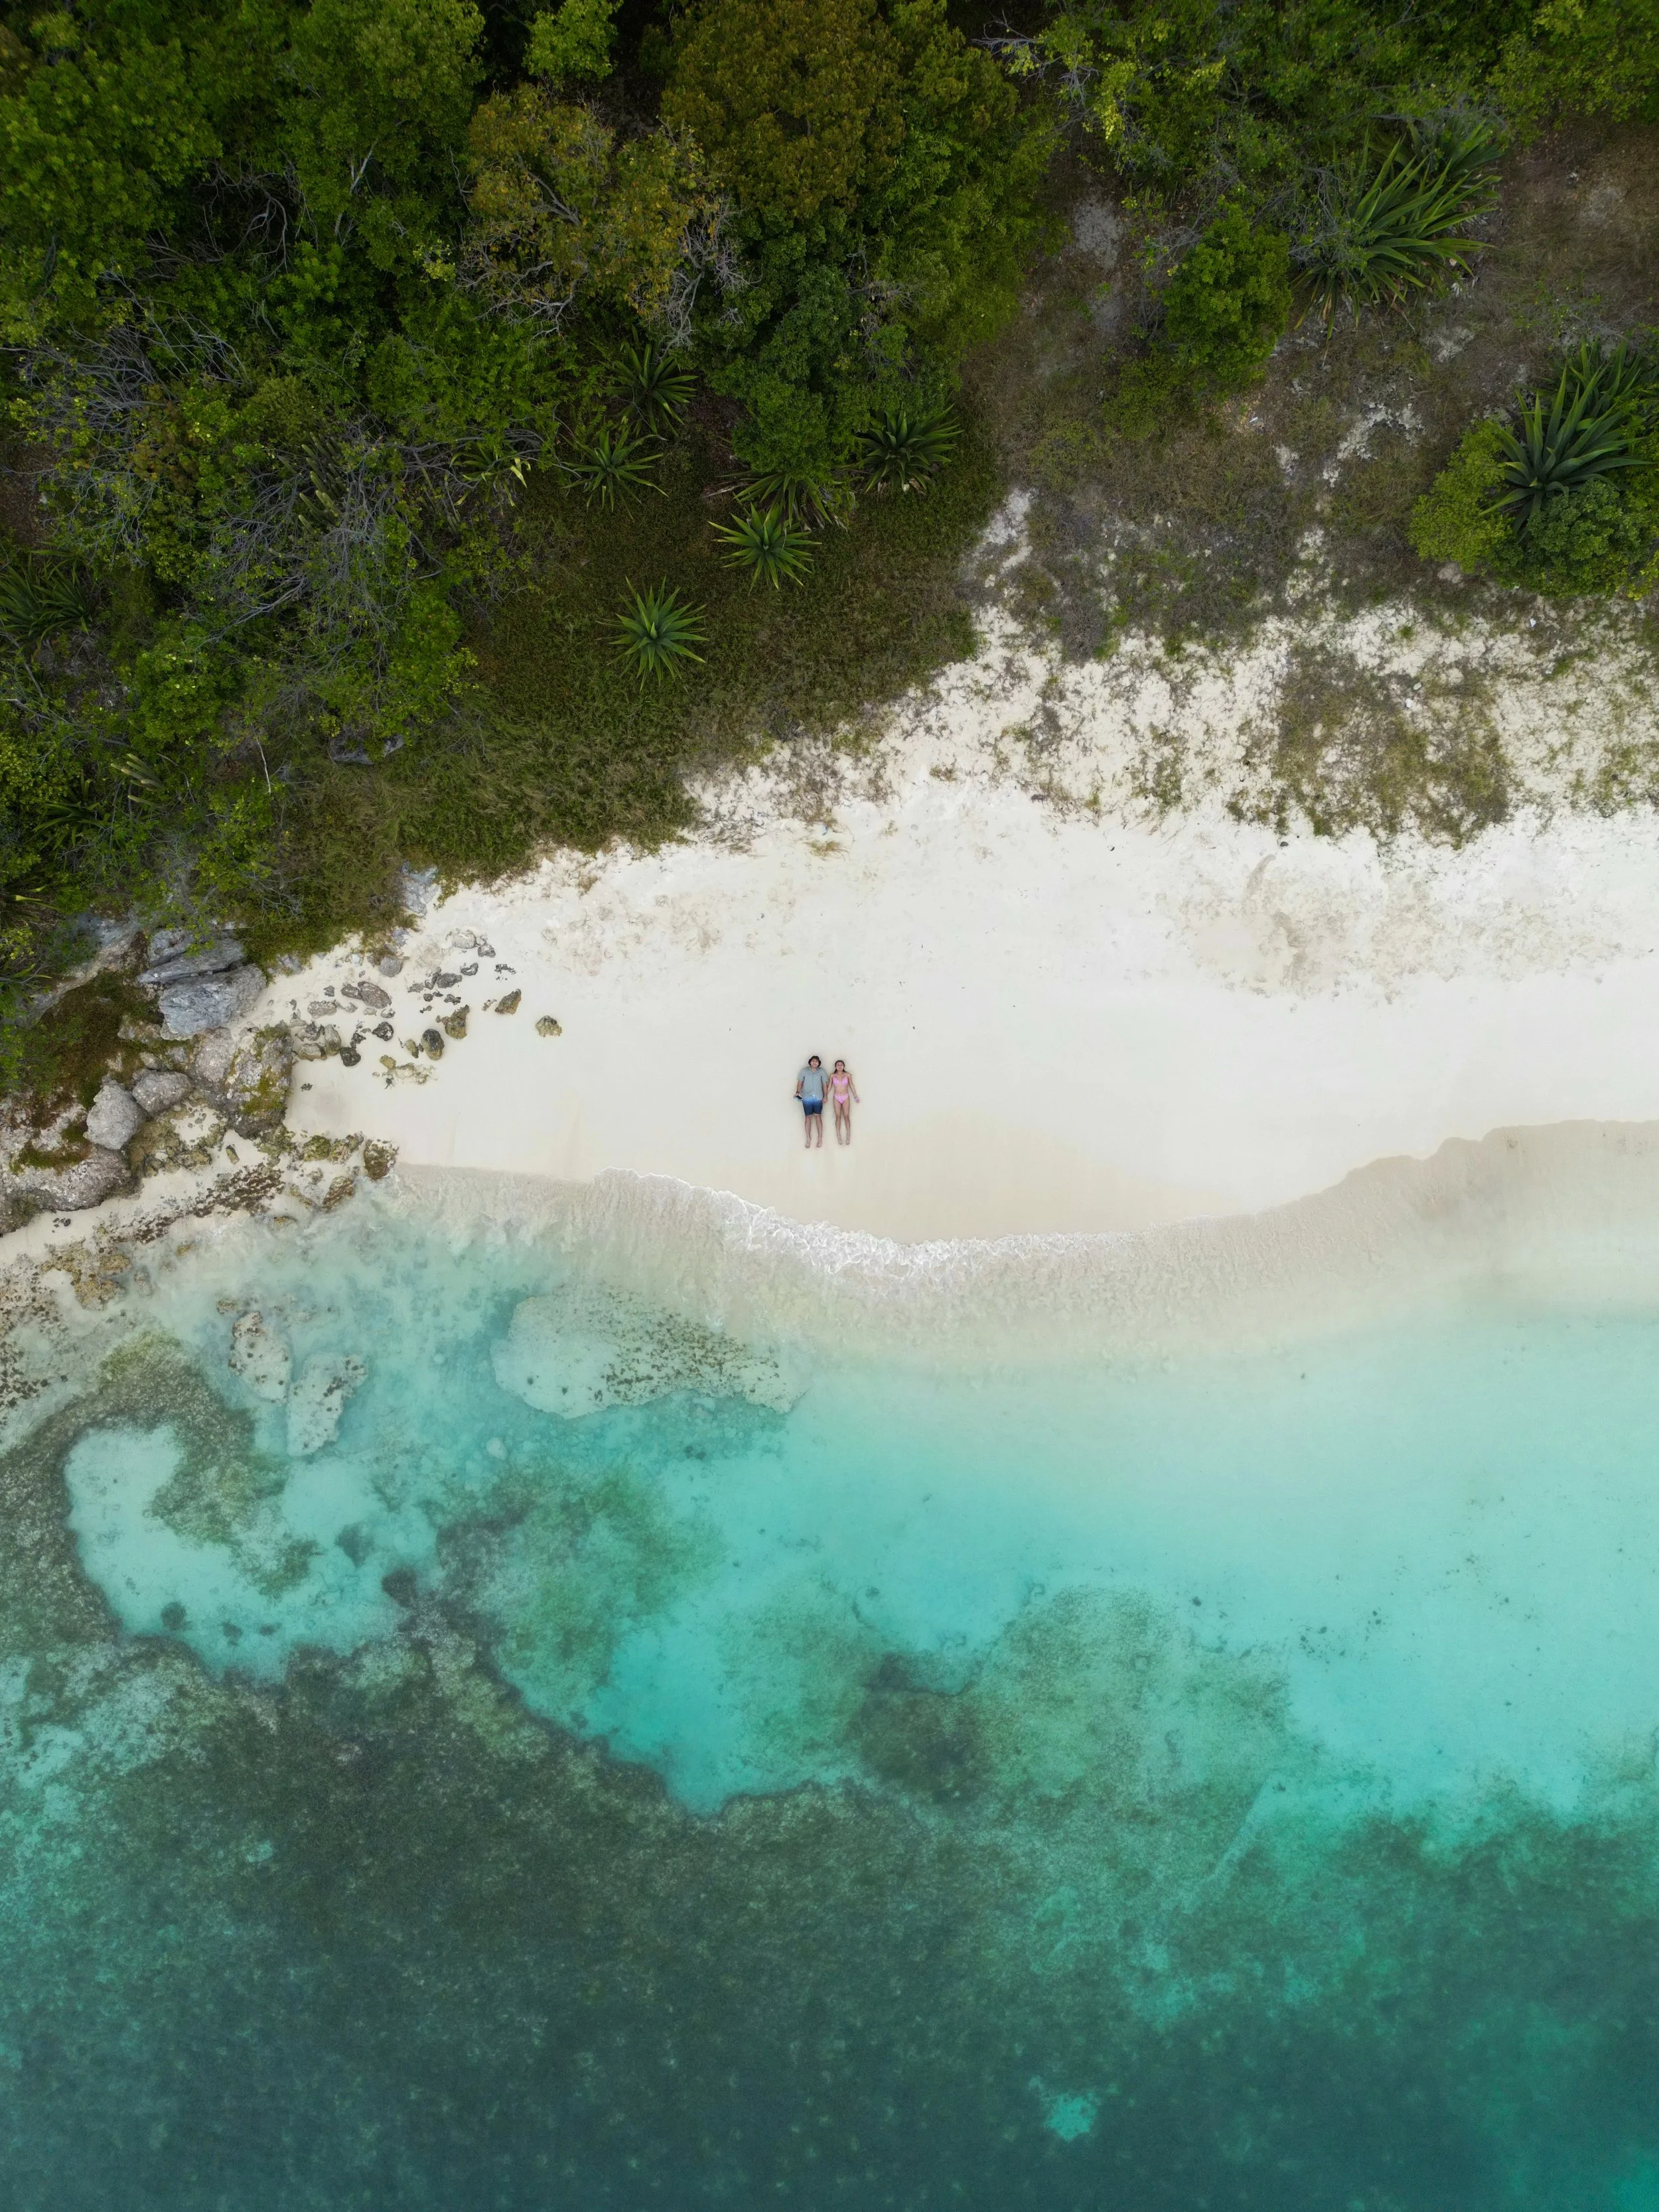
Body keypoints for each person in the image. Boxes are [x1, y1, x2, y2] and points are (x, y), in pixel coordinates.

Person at [796, 1055, 827, 1146]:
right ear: (810, 1062)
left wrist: (825, 1096)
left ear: (819, 1063)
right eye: (813, 1061)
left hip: (818, 1098)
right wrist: (797, 1092)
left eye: (816, 1061)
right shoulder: (804, 1071)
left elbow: (825, 1084)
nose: (814, 1063)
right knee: (808, 1117)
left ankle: (820, 1138)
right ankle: (808, 1138)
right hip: (807, 1097)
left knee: (818, 1117)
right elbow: (800, 1082)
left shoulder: (822, 1071)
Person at [830, 1058, 860, 1146]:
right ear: (835, 1066)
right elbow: (830, 1087)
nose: (839, 1066)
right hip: (836, 1097)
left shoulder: (847, 1075)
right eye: (838, 1065)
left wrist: (855, 1096)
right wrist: (825, 1096)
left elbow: (851, 1085)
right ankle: (839, 1136)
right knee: (838, 1116)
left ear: (843, 1066)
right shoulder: (832, 1075)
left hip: (846, 1097)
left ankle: (848, 1135)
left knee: (847, 1116)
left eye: (841, 1065)